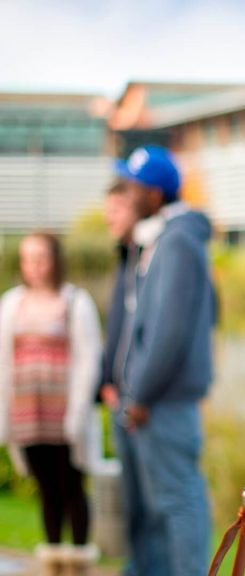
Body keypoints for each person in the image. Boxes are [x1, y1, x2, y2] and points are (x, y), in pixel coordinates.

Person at [115, 145, 216, 576]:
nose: (125, 194)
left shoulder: (176, 243)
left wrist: (140, 394)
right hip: (155, 400)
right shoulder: (160, 240)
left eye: (132, 187)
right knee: (160, 508)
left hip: (164, 402)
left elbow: (168, 333)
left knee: (179, 502)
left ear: (154, 195)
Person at [0, 232, 103, 575]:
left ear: (55, 260)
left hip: (64, 414)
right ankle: (53, 557)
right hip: (28, 412)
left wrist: (78, 411)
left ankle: (79, 558)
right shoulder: (13, 303)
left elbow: (89, 357)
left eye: (41, 258)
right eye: (28, 258)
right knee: (46, 486)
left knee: (71, 483)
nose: (34, 266)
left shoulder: (75, 301)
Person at [95, 179, 144, 575]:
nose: (109, 215)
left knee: (158, 501)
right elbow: (116, 329)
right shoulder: (124, 256)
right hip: (118, 399)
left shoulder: (152, 257)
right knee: (132, 501)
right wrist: (105, 381)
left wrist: (137, 391)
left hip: (141, 402)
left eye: (117, 207)